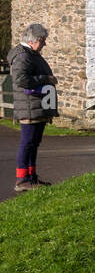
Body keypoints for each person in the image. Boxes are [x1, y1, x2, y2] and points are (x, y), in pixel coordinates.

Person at [7, 23, 58, 192]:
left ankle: (31, 178)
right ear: (33, 40)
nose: (44, 44)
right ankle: (22, 180)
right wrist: (46, 79)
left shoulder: (30, 53)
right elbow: (21, 79)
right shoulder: (23, 55)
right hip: (29, 106)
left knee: (33, 143)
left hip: (36, 105)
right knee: (27, 143)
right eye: (42, 41)